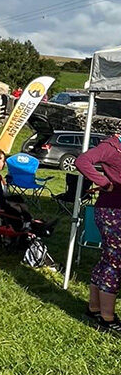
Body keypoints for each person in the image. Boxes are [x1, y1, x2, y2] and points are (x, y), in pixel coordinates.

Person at [75, 133, 121, 332]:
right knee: (115, 263)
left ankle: (94, 308)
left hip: (112, 210)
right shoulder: (112, 145)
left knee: (107, 259)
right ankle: (107, 318)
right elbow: (82, 161)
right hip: (113, 211)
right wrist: (105, 183)